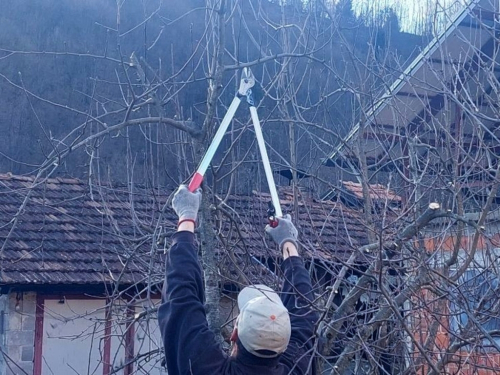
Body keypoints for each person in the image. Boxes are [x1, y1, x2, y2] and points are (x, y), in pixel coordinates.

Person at [158, 185, 318, 375]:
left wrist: (186, 216)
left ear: (234, 334)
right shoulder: (299, 367)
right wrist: (288, 243)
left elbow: (182, 300)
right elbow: (304, 314)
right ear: (284, 347)